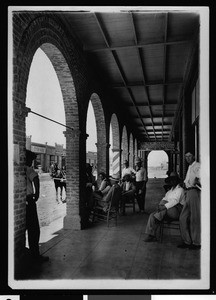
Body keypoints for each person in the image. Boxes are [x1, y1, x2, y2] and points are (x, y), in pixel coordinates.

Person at [143, 172, 185, 242]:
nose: (172, 181)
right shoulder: (170, 191)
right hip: (168, 210)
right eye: (171, 180)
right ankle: (151, 235)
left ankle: (157, 217)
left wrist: (163, 207)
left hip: (177, 211)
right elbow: (164, 198)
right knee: (152, 215)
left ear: (177, 180)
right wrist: (160, 206)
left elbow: (175, 201)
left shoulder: (180, 190)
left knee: (161, 210)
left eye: (174, 179)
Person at [25, 149, 49, 262]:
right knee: (34, 229)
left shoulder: (18, 168)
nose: (32, 163)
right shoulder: (28, 168)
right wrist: (37, 193)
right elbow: (35, 178)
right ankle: (35, 254)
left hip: (20, 202)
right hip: (29, 201)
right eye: (31, 160)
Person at [178, 150, 201, 250]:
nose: (187, 158)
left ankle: (196, 242)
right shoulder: (190, 166)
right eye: (186, 156)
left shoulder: (197, 166)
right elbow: (187, 181)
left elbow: (200, 179)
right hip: (188, 192)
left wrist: (197, 181)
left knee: (195, 218)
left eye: (189, 156)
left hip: (194, 192)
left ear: (194, 156)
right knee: (183, 217)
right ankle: (187, 241)